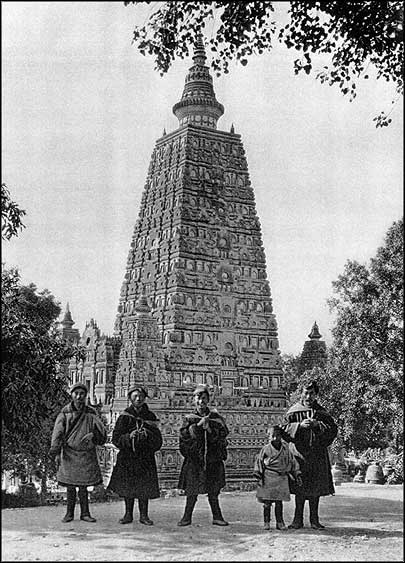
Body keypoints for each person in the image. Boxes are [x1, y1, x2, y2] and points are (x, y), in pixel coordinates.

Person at [282, 380, 338, 530]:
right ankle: (297, 520)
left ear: (316, 394)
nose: (308, 396)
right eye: (306, 393)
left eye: (312, 393)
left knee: (315, 489)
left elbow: (333, 431)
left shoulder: (322, 412)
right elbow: (283, 430)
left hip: (317, 456)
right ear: (301, 393)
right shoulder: (293, 411)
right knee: (300, 488)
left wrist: (318, 425)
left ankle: (314, 519)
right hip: (299, 455)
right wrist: (298, 426)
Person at [49, 382, 107, 523]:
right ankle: (69, 514)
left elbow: (101, 433)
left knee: (83, 486)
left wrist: (94, 435)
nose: (79, 396)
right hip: (69, 454)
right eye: (76, 393)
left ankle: (85, 514)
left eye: (82, 394)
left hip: (86, 454)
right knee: (70, 486)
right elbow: (57, 434)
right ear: (72, 395)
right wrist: (55, 452)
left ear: (86, 395)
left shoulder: (91, 413)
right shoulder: (65, 413)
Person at [107, 386, 162, 525]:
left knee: (144, 487)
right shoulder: (125, 417)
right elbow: (116, 438)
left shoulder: (150, 417)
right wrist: (129, 437)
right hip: (128, 458)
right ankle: (128, 515)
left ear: (144, 398)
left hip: (145, 458)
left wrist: (147, 435)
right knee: (128, 488)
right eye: (135, 396)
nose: (138, 399)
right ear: (130, 398)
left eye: (141, 396)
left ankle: (144, 516)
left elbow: (158, 440)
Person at [177, 384, 229, 527]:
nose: (201, 402)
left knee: (213, 492)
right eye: (198, 399)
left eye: (204, 399)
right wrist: (197, 428)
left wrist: (210, 429)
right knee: (192, 492)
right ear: (194, 400)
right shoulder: (189, 419)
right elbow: (184, 439)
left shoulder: (216, 418)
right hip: (195, 460)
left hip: (212, 460)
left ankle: (217, 517)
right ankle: (186, 517)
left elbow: (223, 438)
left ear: (208, 400)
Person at [254, 424, 302, 530]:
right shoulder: (266, 449)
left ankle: (280, 522)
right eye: (273, 436)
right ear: (269, 437)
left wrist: (297, 473)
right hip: (268, 477)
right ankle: (266, 522)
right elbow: (259, 462)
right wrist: (258, 474)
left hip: (281, 478)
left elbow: (292, 461)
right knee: (267, 503)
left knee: (279, 502)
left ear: (281, 436)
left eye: (278, 436)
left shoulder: (285, 449)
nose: (276, 438)